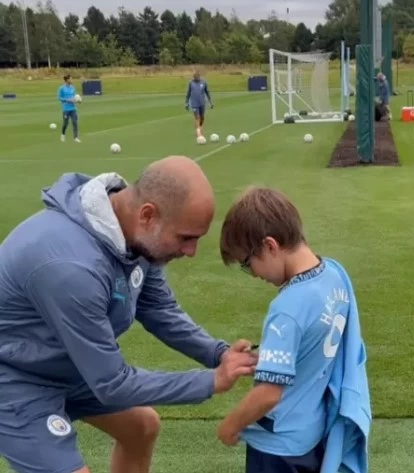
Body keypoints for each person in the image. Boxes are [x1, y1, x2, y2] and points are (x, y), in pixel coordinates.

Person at [0, 156, 258, 473]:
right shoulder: (71, 268)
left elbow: (158, 308)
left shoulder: (131, 235)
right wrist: (211, 381)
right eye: (186, 237)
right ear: (148, 215)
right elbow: (112, 384)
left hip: (64, 365)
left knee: (141, 427)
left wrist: (217, 354)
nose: (190, 251)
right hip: (15, 378)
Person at [216, 187, 371, 473]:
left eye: (248, 264)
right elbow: (311, 346)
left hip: (278, 447)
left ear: (270, 245)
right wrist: (263, 358)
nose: (253, 274)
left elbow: (268, 394)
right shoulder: (334, 275)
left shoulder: (287, 308)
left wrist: (229, 425)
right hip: (313, 435)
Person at [185, 70, 214, 139]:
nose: (196, 77)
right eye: (195, 76)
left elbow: (207, 92)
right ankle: (198, 133)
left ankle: (199, 128)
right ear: (193, 76)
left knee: (202, 118)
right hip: (194, 104)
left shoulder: (203, 82)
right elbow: (188, 93)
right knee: (197, 117)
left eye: (197, 75)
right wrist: (186, 103)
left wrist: (211, 102)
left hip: (202, 103)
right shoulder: (191, 83)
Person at [57, 74, 81, 143]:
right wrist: (67, 100)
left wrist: (78, 101)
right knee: (65, 123)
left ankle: (75, 137)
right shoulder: (61, 88)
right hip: (65, 109)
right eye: (70, 79)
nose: (72, 80)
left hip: (73, 108)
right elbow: (59, 97)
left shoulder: (72, 87)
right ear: (67, 80)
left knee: (75, 122)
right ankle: (63, 134)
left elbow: (74, 97)